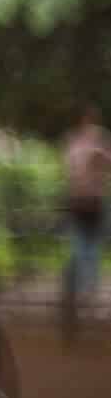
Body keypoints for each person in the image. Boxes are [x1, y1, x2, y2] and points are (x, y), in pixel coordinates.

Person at [62, 105, 111, 306]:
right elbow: (72, 171)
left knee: (91, 250)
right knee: (81, 249)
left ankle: (88, 290)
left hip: (95, 202)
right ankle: (84, 291)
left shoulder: (101, 140)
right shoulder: (74, 142)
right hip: (79, 201)